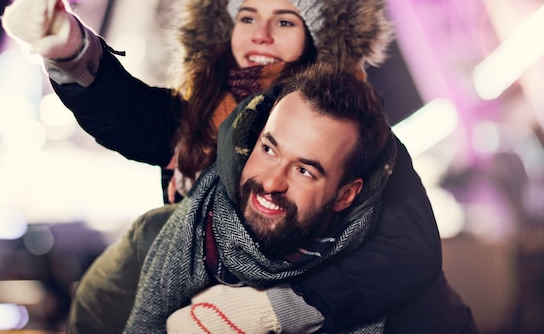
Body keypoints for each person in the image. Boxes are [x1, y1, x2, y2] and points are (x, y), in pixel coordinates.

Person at [1, 0, 442, 333]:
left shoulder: (354, 137)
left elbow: (407, 249)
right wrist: (69, 48)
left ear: (317, 38)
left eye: (284, 22)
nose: (260, 34)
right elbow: (128, 114)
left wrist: (278, 308)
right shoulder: (200, 116)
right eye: (247, 17)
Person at [126, 63, 476, 334]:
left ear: (345, 195)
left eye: (304, 171)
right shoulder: (194, 226)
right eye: (269, 149)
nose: (273, 182)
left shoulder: (406, 296)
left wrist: (269, 312)